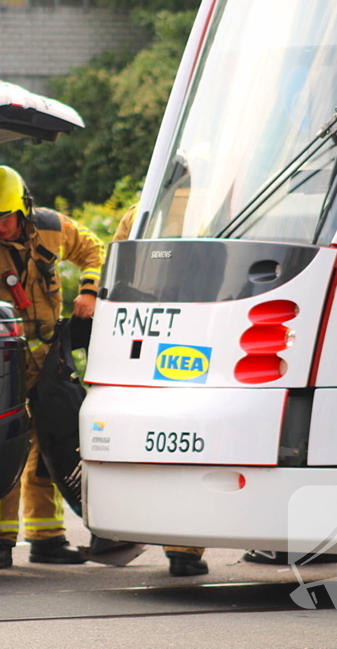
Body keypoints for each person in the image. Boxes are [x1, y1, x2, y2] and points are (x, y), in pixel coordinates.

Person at [0, 165, 103, 569]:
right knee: (5, 449)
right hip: (6, 363)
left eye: (4, 219)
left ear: (23, 208)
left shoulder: (52, 227)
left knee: (51, 444)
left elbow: (93, 251)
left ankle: (47, 538)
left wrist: (88, 293)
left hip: (49, 358)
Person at [109, 203, 209, 577]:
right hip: (198, 327)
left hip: (150, 328)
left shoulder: (140, 213)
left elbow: (118, 269)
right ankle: (184, 548)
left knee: (159, 438)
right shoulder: (216, 204)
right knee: (191, 435)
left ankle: (169, 538)